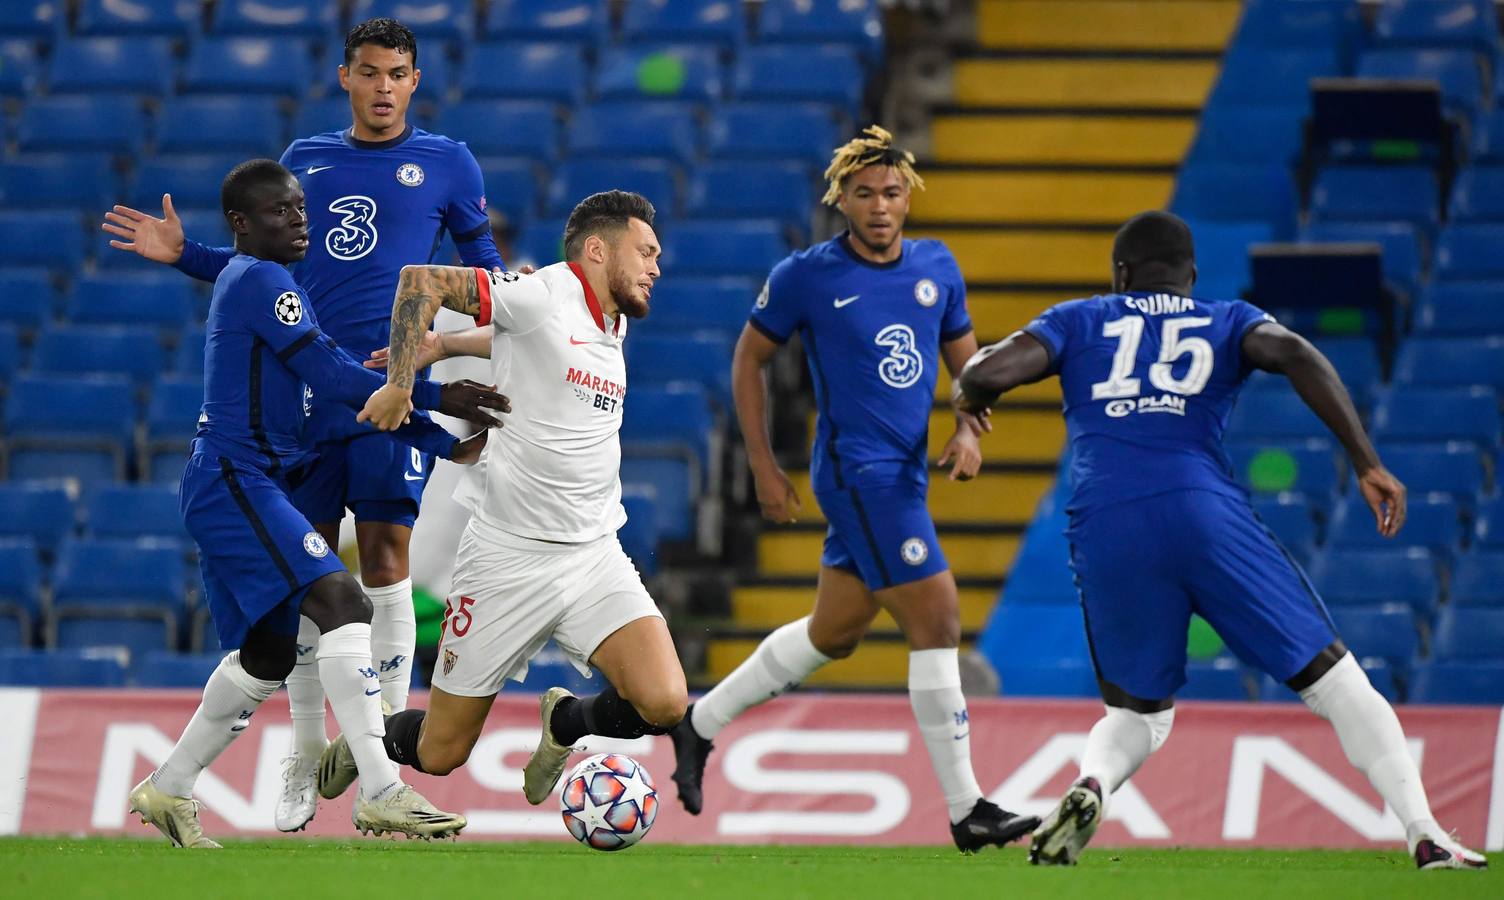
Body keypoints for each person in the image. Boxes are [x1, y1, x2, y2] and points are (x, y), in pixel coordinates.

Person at [956, 210, 1488, 871]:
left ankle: (1092, 783)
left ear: (1120, 274)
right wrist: (1365, 460)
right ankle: (1425, 832)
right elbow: (1294, 352)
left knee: (1140, 715)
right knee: (1335, 682)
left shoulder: (1078, 318)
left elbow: (987, 373)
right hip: (1202, 511)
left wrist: (969, 395)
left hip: (1106, 522)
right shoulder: (1226, 317)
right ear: (1192, 276)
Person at [99, 17, 509, 832]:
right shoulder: (305, 162)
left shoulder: (448, 162)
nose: (384, 86)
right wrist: (186, 254)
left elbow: (484, 271)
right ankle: (305, 755)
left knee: (381, 559)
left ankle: (380, 751)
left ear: (415, 81)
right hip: (313, 398)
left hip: (386, 378)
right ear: (345, 77)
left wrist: (476, 328)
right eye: (369, 72)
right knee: (310, 590)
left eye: (398, 73)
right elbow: (258, 261)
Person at [666, 126, 1039, 853]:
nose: (879, 206)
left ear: (909, 197)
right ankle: (968, 810)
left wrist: (967, 431)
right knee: (937, 620)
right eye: (863, 193)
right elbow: (748, 361)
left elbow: (973, 371)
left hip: (903, 475)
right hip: (857, 475)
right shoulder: (808, 274)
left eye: (891, 192)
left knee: (833, 634)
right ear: (840, 199)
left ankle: (697, 723)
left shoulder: (937, 266)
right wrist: (766, 468)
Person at [315, 190, 687, 807]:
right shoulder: (544, 292)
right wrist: (402, 383)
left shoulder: (611, 316)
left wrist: (451, 346)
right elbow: (420, 282)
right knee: (439, 753)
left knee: (666, 702)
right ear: (597, 249)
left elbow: (527, 343)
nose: (656, 267)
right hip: (506, 560)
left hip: (594, 555)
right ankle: (368, 738)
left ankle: (565, 723)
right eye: (646, 252)